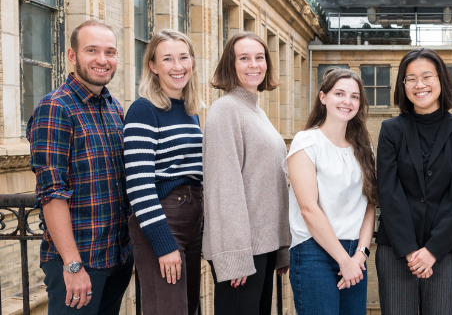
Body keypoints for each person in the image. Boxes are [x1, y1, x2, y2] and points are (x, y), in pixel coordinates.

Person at [27, 19, 134, 314]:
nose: (102, 60)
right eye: (92, 50)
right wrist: (73, 265)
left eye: (110, 52)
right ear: (72, 56)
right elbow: (51, 193)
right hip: (79, 265)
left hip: (116, 259)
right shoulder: (55, 108)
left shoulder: (114, 109)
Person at [375, 48, 452, 314]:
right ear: (403, 85)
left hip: (445, 251)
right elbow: (388, 191)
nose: (419, 85)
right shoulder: (390, 131)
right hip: (397, 250)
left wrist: (432, 251)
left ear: (441, 80)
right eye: (411, 79)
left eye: (426, 76)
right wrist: (410, 250)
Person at [202, 31, 290, 315]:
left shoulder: (256, 112)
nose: (254, 65)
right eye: (244, 58)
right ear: (231, 64)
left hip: (261, 249)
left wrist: (281, 246)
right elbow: (223, 188)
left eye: (259, 57)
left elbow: (271, 185)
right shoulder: (225, 110)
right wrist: (234, 256)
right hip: (241, 253)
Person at [123, 29, 205, 315]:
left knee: (188, 308)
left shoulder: (190, 111)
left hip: (192, 219)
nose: (178, 66)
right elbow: (139, 184)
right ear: (153, 66)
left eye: (183, 57)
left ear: (192, 62)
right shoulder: (143, 110)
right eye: (167, 59)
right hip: (163, 221)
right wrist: (163, 243)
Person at [284, 67, 378, 314]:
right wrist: (343, 260)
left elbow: (370, 203)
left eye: (354, 96)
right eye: (339, 93)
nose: (347, 101)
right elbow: (308, 209)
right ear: (323, 97)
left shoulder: (364, 147)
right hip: (315, 253)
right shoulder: (306, 142)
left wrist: (361, 255)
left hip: (355, 254)